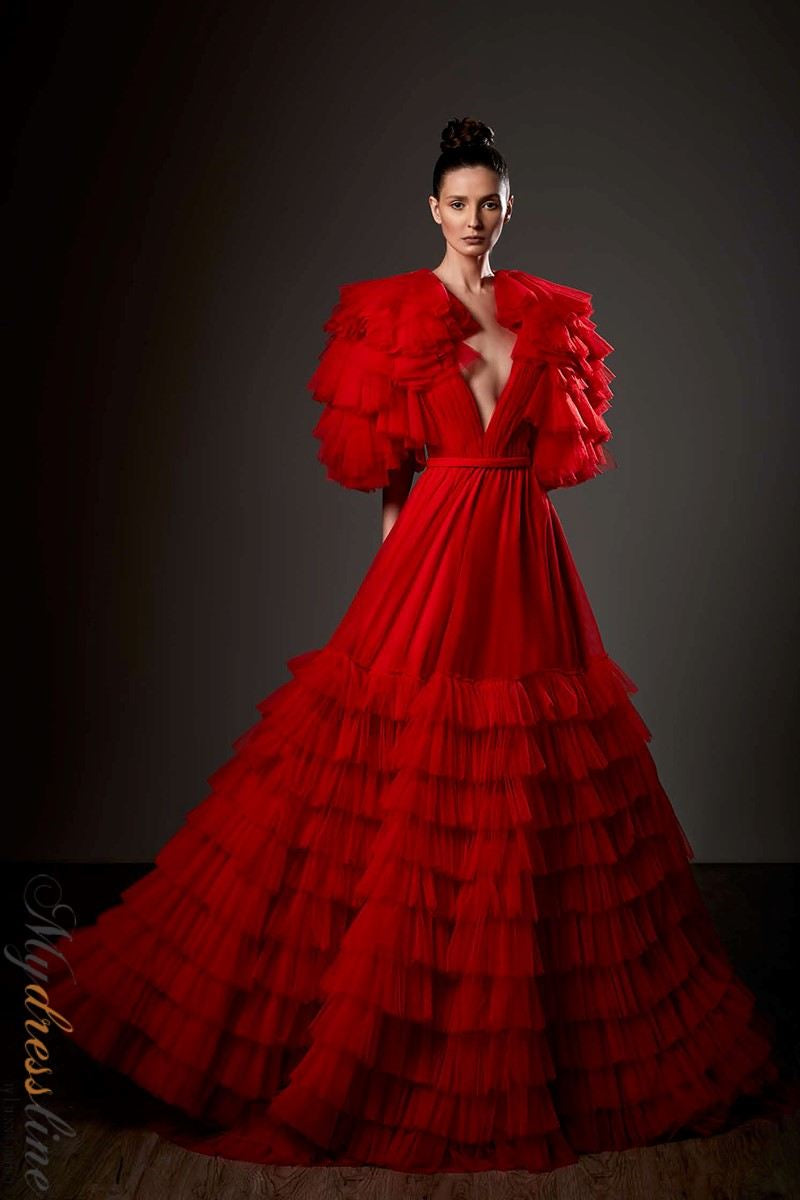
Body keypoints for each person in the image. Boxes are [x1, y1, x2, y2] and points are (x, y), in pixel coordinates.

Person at [44, 116, 795, 1175]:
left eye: (491, 203)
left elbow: (557, 457)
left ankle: (519, 1034)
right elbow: (392, 481)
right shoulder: (394, 317)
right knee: (387, 784)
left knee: (535, 787)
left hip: (525, 562)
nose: (475, 219)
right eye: (459, 203)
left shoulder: (546, 315)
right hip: (432, 558)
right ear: (431, 209)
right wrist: (393, 584)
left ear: (508, 208)